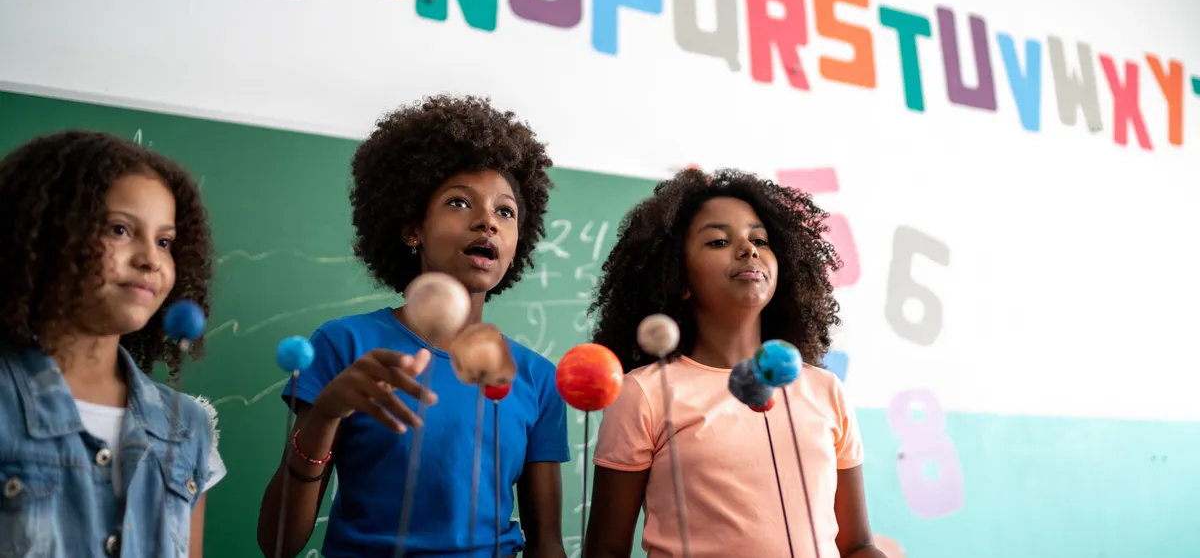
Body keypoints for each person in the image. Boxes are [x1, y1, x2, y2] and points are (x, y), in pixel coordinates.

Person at [257, 95, 570, 558]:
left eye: (506, 212)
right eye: (460, 202)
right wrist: (325, 413)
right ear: (412, 230)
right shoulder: (345, 345)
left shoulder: (538, 378)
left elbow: (548, 545)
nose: (487, 221)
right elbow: (279, 544)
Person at [585, 168, 888, 558]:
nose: (749, 249)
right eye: (718, 241)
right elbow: (605, 551)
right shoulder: (644, 393)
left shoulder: (825, 390)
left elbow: (858, 545)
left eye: (759, 239)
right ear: (679, 279)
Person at [0, 129, 224, 557]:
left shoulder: (188, 427)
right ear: (47, 236)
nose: (150, 259)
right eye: (120, 230)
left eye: (164, 242)